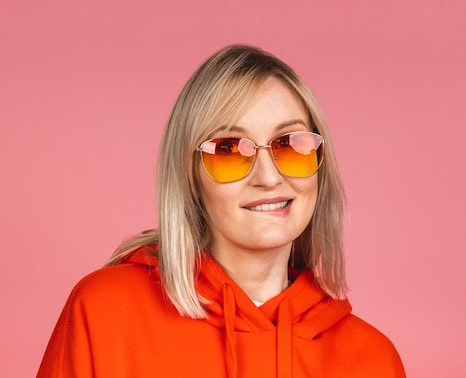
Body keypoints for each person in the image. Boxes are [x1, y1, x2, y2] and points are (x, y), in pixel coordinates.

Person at [37, 45, 406, 377]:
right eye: (229, 150)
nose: (268, 176)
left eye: (290, 144)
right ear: (189, 174)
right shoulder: (104, 315)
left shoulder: (374, 360)